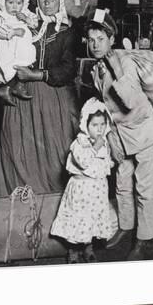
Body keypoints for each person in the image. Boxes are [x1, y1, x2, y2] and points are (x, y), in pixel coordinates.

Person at [85, 9, 153, 261]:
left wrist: (116, 67)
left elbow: (129, 100)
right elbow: (106, 108)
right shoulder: (95, 68)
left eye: (101, 39)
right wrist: (110, 138)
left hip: (142, 131)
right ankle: (126, 226)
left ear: (112, 40)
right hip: (120, 134)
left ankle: (143, 239)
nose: (95, 44)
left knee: (144, 188)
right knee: (121, 184)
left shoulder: (124, 61)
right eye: (91, 39)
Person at [0, 0, 79, 196]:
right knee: (17, 146)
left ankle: (55, 200)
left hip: (52, 96)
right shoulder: (28, 25)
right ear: (36, 2)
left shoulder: (67, 33)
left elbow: (68, 70)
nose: (47, 1)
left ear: (60, 1)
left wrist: (37, 75)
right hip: (23, 95)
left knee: (54, 149)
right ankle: (20, 198)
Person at [50, 98, 116, 263]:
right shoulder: (80, 143)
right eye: (95, 125)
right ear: (85, 125)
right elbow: (83, 161)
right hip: (81, 189)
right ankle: (73, 250)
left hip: (97, 189)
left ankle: (88, 247)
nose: (99, 129)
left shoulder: (104, 142)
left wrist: (109, 162)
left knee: (91, 219)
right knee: (77, 220)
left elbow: (105, 162)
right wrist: (95, 147)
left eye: (102, 124)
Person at [0, 0, 38, 106]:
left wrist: (25, 19)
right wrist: (15, 32)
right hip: (8, 47)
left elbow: (35, 24)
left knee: (25, 64)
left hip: (23, 48)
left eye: (19, 3)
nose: (15, 6)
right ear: (3, 2)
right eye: (10, 3)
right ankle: (6, 88)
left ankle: (17, 86)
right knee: (11, 67)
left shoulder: (25, 13)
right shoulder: (1, 16)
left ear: (24, 2)